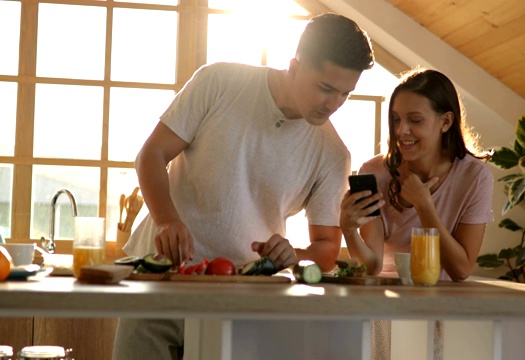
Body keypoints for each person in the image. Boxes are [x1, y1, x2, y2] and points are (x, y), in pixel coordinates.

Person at [113, 13, 374, 360]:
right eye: (326, 88)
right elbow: (152, 154)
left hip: (243, 299)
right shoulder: (219, 81)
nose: (334, 104)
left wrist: (292, 256)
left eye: (346, 93)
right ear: (294, 66)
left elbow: (326, 246)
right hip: (159, 279)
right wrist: (165, 219)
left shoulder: (333, 153)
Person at [339, 68, 494, 282]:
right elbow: (371, 267)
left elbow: (461, 270)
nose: (401, 130)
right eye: (396, 120)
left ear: (446, 122)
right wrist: (348, 230)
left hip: (441, 304)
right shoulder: (374, 172)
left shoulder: (474, 176)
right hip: (386, 300)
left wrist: (424, 206)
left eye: (415, 120)